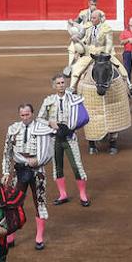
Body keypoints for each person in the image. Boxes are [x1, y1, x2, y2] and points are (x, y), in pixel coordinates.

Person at [2, 103, 54, 250]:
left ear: (32, 113)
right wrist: (6, 172)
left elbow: (48, 150)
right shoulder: (13, 129)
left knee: (40, 203)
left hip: (38, 170)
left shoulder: (42, 128)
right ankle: (11, 235)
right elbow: (7, 152)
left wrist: (39, 160)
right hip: (20, 169)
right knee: (13, 203)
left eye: (27, 114)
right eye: (22, 115)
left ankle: (39, 237)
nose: (25, 117)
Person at [39, 73, 90, 207]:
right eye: (58, 83)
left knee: (77, 165)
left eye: (63, 82)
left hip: (69, 136)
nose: (61, 85)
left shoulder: (74, 99)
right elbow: (39, 119)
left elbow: (82, 117)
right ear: (54, 86)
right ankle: (63, 194)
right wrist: (50, 123)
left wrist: (72, 127)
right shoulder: (48, 101)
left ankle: (83, 195)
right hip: (55, 137)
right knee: (57, 166)